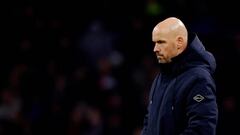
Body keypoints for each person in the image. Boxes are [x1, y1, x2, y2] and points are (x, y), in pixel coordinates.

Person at [140, 17, 218, 135]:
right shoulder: (160, 77)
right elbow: (149, 121)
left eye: (161, 42)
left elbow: (202, 129)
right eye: (155, 43)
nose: (155, 49)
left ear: (179, 42)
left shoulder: (198, 79)